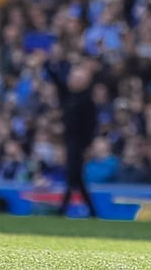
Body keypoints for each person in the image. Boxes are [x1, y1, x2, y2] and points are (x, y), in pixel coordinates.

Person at [43, 58, 98, 218]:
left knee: (72, 176)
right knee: (77, 179)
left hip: (78, 142)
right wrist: (48, 64)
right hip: (70, 141)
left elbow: (90, 126)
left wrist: (88, 146)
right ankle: (92, 211)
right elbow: (58, 82)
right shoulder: (68, 96)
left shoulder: (87, 101)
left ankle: (63, 208)